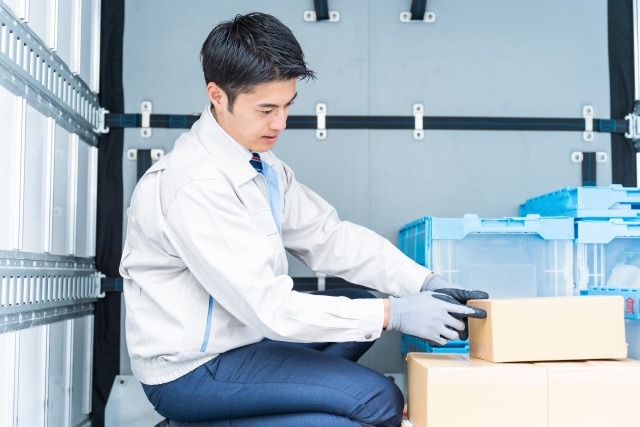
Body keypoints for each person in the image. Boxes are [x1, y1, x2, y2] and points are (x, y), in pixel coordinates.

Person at [119, 12, 488, 427]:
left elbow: (328, 238)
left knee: (360, 303)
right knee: (378, 401)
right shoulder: (193, 185)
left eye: (287, 105)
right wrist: (395, 314)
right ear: (218, 96)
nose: (280, 123)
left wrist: (424, 283)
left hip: (245, 340)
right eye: (266, 109)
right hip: (192, 371)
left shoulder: (260, 165)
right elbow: (269, 307)